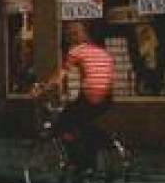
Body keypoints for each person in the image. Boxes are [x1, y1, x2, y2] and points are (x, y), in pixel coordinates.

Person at [35, 21, 115, 171]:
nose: (71, 37)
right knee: (83, 125)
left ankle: (76, 162)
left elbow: (61, 75)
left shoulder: (77, 51)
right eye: (70, 34)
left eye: (74, 34)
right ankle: (90, 163)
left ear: (84, 34)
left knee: (62, 126)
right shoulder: (103, 52)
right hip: (107, 98)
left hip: (91, 96)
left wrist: (43, 89)